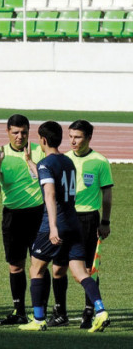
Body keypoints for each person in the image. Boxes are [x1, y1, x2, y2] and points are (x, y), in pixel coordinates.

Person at [19, 121, 109, 333]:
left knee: (35, 268)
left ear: (43, 140)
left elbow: (50, 195)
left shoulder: (46, 164)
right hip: (74, 224)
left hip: (54, 224)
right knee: (80, 272)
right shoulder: (68, 162)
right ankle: (100, 311)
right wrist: (30, 162)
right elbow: (51, 178)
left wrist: (52, 227)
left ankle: (38, 319)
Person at [0, 114, 44, 325]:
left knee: (40, 265)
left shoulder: (39, 151)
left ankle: (41, 311)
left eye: (24, 132)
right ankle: (19, 311)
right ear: (8, 132)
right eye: (16, 132)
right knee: (16, 266)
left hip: (38, 214)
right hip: (13, 216)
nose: (20, 136)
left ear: (29, 132)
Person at [65, 120, 114, 329]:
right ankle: (59, 311)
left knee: (88, 268)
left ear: (89, 138)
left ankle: (89, 310)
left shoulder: (100, 161)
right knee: (59, 267)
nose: (73, 141)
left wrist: (105, 221)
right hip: (66, 218)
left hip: (88, 219)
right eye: (70, 136)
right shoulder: (65, 159)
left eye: (78, 137)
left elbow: (107, 194)